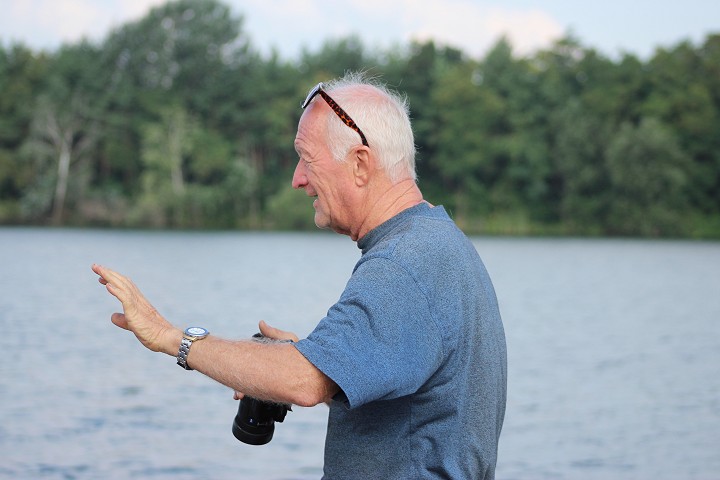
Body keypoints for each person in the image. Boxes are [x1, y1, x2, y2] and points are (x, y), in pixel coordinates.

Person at [92, 72, 507, 479]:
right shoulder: (438, 242)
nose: (297, 179)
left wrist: (172, 338)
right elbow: (420, 400)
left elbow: (303, 382)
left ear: (361, 164)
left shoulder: (403, 264)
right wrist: (321, 358)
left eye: (307, 159)